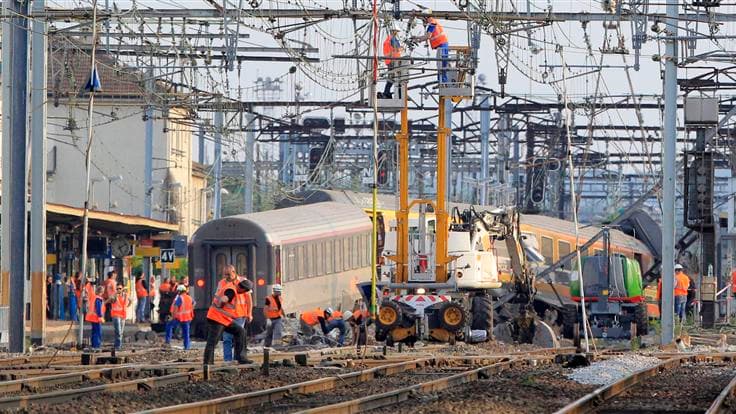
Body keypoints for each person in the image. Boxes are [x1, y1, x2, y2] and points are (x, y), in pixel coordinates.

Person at [203, 279, 253, 365]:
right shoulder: (232, 290)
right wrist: (221, 304)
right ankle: (208, 363)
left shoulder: (232, 286)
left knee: (241, 331)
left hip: (224, 319)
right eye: (244, 292)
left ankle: (241, 358)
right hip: (217, 318)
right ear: (243, 289)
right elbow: (224, 299)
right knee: (213, 341)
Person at [220, 265, 252, 361]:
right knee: (226, 339)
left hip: (239, 315)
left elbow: (249, 299)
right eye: (225, 274)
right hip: (226, 316)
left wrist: (249, 313)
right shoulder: (221, 283)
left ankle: (237, 359)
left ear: (234, 272)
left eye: (228, 274)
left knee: (238, 338)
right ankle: (227, 361)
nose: (226, 277)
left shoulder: (243, 282)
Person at [411, 10, 449, 84]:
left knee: (441, 65)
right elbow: (427, 36)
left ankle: (443, 82)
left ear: (426, 17)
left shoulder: (432, 24)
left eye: (423, 19)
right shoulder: (433, 23)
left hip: (442, 45)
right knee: (441, 64)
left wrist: (418, 40)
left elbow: (428, 36)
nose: (423, 21)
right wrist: (417, 37)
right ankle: (441, 81)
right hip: (442, 45)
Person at [166, 285, 194, 349]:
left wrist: (172, 317)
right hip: (187, 318)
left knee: (169, 325)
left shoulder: (180, 298)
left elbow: (175, 308)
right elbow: (194, 303)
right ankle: (187, 347)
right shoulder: (189, 297)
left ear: (179, 291)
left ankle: (167, 341)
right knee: (186, 333)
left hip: (179, 318)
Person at [379, 24, 402, 99]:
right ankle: (389, 93)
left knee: (392, 77)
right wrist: (402, 49)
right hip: (393, 61)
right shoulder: (392, 39)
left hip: (390, 61)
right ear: (394, 31)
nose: (397, 33)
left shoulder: (389, 39)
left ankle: (387, 93)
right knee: (396, 77)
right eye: (396, 31)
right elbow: (397, 49)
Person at [108, 286, 130, 350]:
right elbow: (110, 300)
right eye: (117, 289)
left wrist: (127, 306)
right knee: (118, 331)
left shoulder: (125, 296)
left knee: (121, 332)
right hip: (116, 315)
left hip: (123, 316)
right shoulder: (114, 296)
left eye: (120, 288)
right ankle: (118, 345)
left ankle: (118, 345)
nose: (119, 290)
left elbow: (130, 301)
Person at [85, 286, 105, 350]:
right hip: (96, 318)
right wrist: (100, 317)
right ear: (101, 292)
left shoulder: (94, 297)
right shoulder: (98, 299)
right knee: (98, 332)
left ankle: (94, 345)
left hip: (92, 317)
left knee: (94, 332)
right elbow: (98, 309)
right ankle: (96, 346)